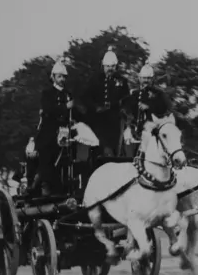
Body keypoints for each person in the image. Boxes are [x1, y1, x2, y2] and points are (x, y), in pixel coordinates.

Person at [29, 59, 74, 196]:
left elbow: (73, 111)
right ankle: (43, 184)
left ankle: (65, 184)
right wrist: (64, 107)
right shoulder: (47, 93)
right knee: (47, 158)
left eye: (63, 77)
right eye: (59, 76)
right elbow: (48, 109)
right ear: (53, 77)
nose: (61, 79)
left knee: (66, 158)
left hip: (65, 131)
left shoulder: (68, 94)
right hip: (49, 131)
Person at [84, 46, 130, 157]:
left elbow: (127, 99)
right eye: (108, 66)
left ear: (116, 66)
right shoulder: (95, 80)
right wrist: (95, 107)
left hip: (115, 118)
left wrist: (123, 108)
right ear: (103, 66)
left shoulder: (122, 81)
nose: (110, 68)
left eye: (112, 66)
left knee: (116, 147)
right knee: (99, 146)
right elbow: (86, 97)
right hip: (97, 119)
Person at [122, 60, 172, 157]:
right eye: (144, 78)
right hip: (135, 131)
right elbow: (126, 110)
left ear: (152, 79)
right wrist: (129, 124)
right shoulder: (134, 93)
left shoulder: (159, 93)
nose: (146, 80)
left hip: (153, 132)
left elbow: (167, 109)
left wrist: (149, 107)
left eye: (148, 78)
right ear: (139, 78)